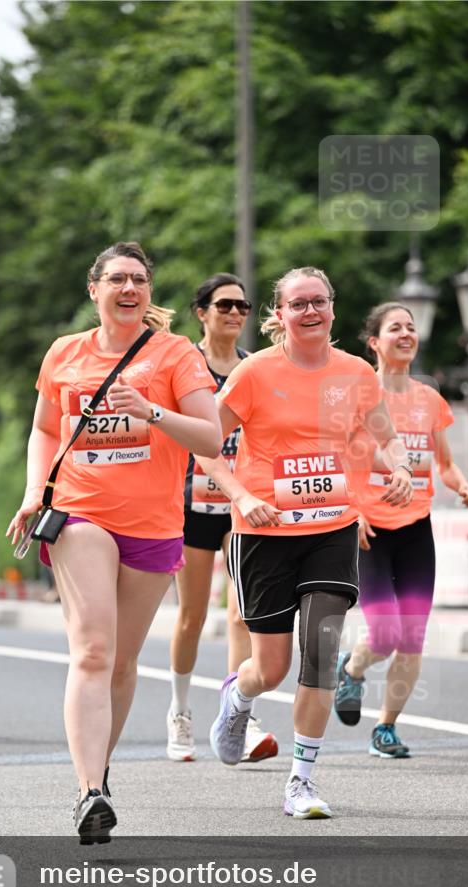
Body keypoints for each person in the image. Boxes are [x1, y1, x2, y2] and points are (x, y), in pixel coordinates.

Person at [7, 242, 221, 844]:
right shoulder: (64, 353)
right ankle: (88, 792)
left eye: (139, 280)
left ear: (149, 291)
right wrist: (34, 492)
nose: (130, 289)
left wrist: (152, 412)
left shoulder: (176, 354)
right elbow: (44, 429)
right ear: (94, 288)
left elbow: (211, 438)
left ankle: (97, 771)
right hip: (80, 513)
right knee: (94, 651)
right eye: (118, 279)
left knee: (123, 662)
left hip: (154, 524)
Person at [198, 266, 413, 819]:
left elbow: (383, 434)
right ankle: (238, 697)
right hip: (264, 532)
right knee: (270, 668)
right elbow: (204, 443)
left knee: (319, 653)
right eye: (298, 304)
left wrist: (399, 467)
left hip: (331, 528)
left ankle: (301, 782)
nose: (310, 311)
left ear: (333, 308)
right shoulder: (254, 372)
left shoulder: (356, 373)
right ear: (280, 314)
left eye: (319, 301)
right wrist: (241, 496)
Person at [333, 302, 468, 756]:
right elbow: (335, 459)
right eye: (395, 328)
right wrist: (351, 511)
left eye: (411, 327)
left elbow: (445, 465)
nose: (406, 334)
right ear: (374, 342)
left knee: (412, 638)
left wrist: (463, 485)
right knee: (385, 633)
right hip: (369, 529)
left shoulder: (429, 399)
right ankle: (352, 669)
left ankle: (386, 729)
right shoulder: (358, 395)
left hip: (416, 528)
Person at [167, 273, 278, 764]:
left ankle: (239, 716)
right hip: (191, 503)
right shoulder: (184, 365)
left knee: (240, 614)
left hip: (243, 504)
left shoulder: (254, 368)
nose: (235, 314)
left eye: (243, 307)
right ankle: (180, 711)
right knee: (192, 616)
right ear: (202, 312)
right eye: (225, 305)